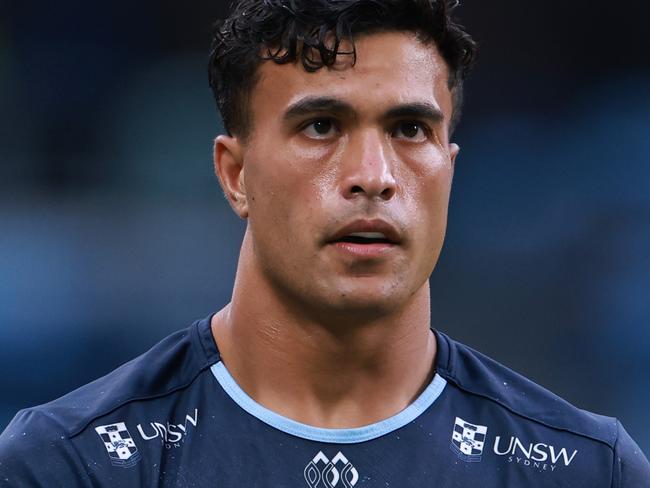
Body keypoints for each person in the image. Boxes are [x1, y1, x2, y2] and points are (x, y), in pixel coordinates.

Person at [1, 0, 648, 486]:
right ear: (235, 175)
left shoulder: (587, 469)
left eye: (409, 129)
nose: (374, 176)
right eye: (320, 125)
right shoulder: (70, 464)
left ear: (449, 167)